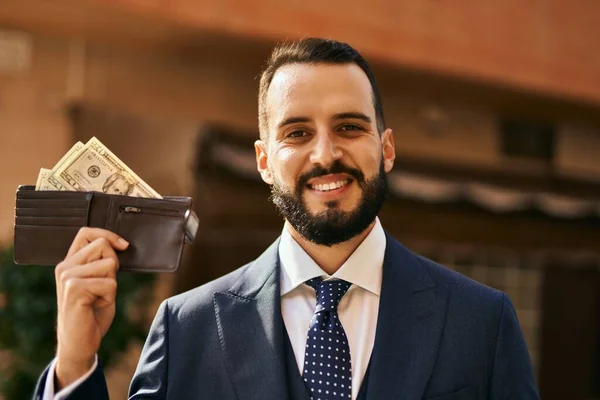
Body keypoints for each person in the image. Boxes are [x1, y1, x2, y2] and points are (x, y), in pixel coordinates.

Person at [35, 38, 539, 400]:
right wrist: (75, 363)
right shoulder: (187, 327)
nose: (325, 155)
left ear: (385, 149)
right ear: (263, 160)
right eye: (297, 133)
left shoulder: (481, 323)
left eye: (348, 126)